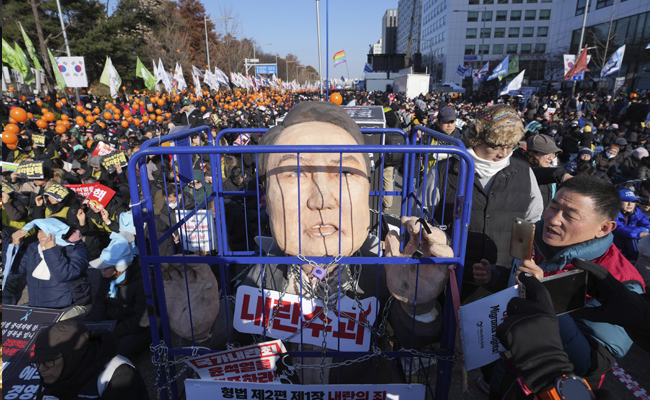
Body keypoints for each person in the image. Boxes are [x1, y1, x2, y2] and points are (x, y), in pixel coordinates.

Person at [209, 101, 453, 384]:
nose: (321, 200)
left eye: (345, 173)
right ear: (267, 195)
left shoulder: (380, 268)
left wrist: (418, 306)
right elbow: (231, 335)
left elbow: (413, 337)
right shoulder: (262, 271)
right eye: (295, 173)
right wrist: (203, 326)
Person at [474, 176, 645, 386]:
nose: (553, 219)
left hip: (554, 385)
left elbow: (589, 364)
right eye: (553, 207)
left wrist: (546, 295)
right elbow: (517, 282)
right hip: (509, 365)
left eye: (570, 215)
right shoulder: (533, 236)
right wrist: (496, 277)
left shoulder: (621, 283)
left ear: (604, 228)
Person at [423, 104, 543, 299]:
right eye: (496, 145)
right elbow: (421, 215)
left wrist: (514, 270)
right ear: (477, 138)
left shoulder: (524, 171)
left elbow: (532, 220)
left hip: (502, 282)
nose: (504, 153)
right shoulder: (445, 169)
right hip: (448, 277)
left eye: (509, 146)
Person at [31, 320, 150, 400]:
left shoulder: (118, 375)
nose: (41, 369)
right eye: (38, 362)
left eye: (48, 361)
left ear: (72, 356)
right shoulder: (53, 373)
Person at [8, 218, 92, 320]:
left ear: (61, 233)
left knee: (51, 324)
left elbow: (65, 275)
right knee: (10, 319)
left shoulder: (76, 249)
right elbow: (13, 270)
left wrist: (51, 250)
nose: (42, 235)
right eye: (39, 231)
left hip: (70, 306)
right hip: (38, 306)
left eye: (47, 231)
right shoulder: (34, 248)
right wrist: (14, 246)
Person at [85, 233, 151, 359]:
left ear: (119, 268)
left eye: (105, 268)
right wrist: (95, 323)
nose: (101, 271)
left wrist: (113, 331)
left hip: (137, 328)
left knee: (115, 351)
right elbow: (100, 300)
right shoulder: (108, 276)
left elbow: (142, 319)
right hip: (113, 321)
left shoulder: (142, 282)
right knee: (81, 331)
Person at [613, 189, 650, 262]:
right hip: (615, 242)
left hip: (626, 240)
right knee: (633, 234)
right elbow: (619, 228)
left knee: (643, 229)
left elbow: (643, 221)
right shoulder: (612, 212)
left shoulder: (635, 210)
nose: (630, 204)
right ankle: (636, 257)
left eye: (633, 201)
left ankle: (643, 256)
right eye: (626, 201)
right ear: (617, 202)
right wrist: (641, 234)